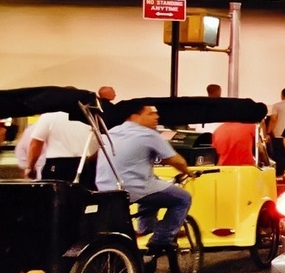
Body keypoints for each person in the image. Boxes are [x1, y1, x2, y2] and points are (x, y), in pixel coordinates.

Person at [96, 100, 192, 251]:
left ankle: (146, 228)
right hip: (132, 188)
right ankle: (161, 239)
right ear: (134, 116)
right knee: (183, 198)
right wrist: (188, 172)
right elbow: (176, 161)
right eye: (150, 113)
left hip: (105, 189)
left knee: (154, 188)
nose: (157, 116)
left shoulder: (111, 132)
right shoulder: (148, 135)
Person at [27, 110, 95, 183]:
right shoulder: (88, 116)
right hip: (84, 165)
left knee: (55, 193)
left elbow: (35, 145)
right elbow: (96, 145)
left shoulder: (49, 116)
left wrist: (30, 167)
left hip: (56, 166)